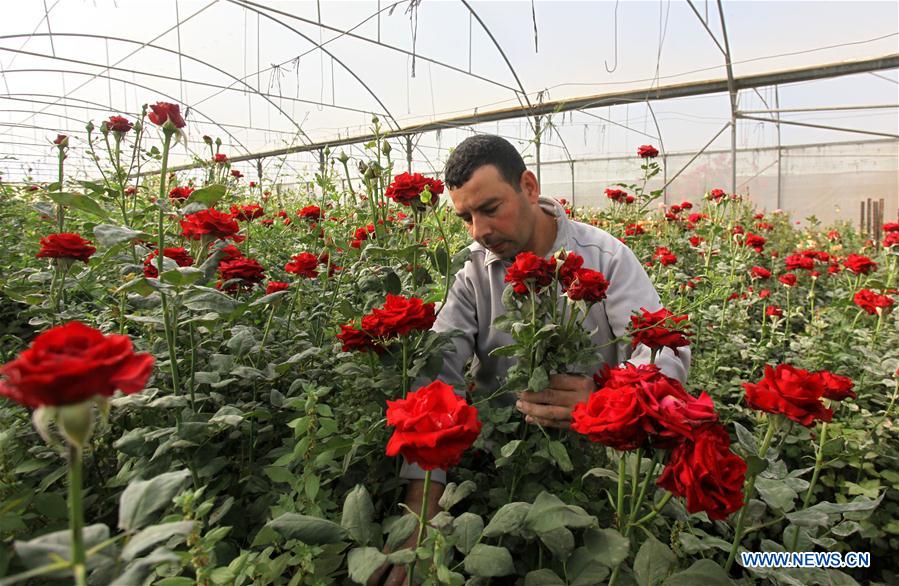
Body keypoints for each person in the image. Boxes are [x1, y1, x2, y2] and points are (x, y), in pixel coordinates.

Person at [369, 134, 690, 586]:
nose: (479, 230)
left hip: (601, 472)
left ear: (529, 186)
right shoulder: (473, 274)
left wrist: (605, 400)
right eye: (466, 217)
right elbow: (438, 376)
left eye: (491, 208)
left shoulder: (606, 258)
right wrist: (421, 506)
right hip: (501, 466)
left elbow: (669, 350)